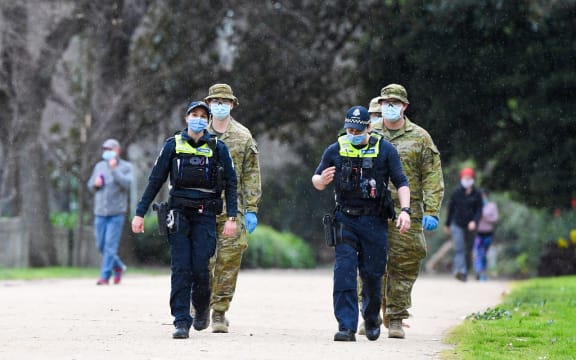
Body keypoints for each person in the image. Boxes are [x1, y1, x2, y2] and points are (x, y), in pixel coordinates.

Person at [131, 101, 238, 339]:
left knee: (201, 267)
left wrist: (232, 216)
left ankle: (201, 307)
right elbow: (155, 180)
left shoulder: (218, 148)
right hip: (178, 214)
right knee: (181, 267)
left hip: (206, 214)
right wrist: (140, 213)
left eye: (202, 115)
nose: (198, 119)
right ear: (186, 117)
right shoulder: (173, 145)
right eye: (194, 114)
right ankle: (181, 320)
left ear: (207, 121)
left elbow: (231, 183)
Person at [312, 105, 411, 342]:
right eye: (349, 130)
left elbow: (401, 182)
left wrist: (405, 210)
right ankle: (346, 326)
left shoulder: (385, 149)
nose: (353, 134)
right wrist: (321, 180)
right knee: (344, 272)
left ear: (369, 127)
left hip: (374, 220)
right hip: (345, 218)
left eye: (357, 130)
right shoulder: (336, 149)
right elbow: (316, 178)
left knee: (372, 274)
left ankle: (371, 317)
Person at [361, 83, 445, 339]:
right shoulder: (368, 133)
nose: (390, 107)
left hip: (407, 213)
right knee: (369, 265)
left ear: (405, 106)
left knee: (403, 266)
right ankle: (371, 315)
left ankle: (396, 318)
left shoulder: (420, 138)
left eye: (395, 103)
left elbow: (432, 175)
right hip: (371, 210)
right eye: (386, 103)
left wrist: (432, 210)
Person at [202, 83, 262, 333]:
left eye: (224, 102)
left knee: (228, 260)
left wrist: (251, 209)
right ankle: (200, 305)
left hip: (232, 209)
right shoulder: (196, 133)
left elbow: (251, 173)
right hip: (201, 207)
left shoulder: (243, 136)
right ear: (208, 105)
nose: (219, 105)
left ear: (232, 105)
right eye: (215, 101)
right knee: (203, 260)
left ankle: (219, 312)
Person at [87, 138, 133, 285]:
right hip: (100, 212)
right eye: (105, 149)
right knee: (101, 245)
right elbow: (90, 186)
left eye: (109, 149)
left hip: (116, 213)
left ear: (117, 151)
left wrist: (114, 170)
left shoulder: (126, 166)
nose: (106, 152)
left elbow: (127, 184)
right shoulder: (99, 166)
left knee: (110, 246)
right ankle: (118, 267)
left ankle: (104, 276)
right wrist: (95, 184)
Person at [444, 167, 483, 282]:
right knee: (459, 248)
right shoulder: (456, 192)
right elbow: (451, 208)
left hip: (471, 226)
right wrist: (447, 224)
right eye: (465, 178)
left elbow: (479, 210)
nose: (467, 180)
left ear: (472, 179)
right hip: (457, 224)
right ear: (461, 178)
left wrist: (474, 221)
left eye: (469, 178)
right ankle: (460, 271)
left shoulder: (477, 193)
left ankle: (465, 271)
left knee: (468, 250)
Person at [474, 189, 499, 281]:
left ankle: (482, 272)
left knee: (484, 254)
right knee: (478, 252)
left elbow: (495, 218)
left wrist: (485, 216)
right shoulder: (475, 206)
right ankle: (478, 271)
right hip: (477, 233)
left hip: (488, 233)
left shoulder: (492, 206)